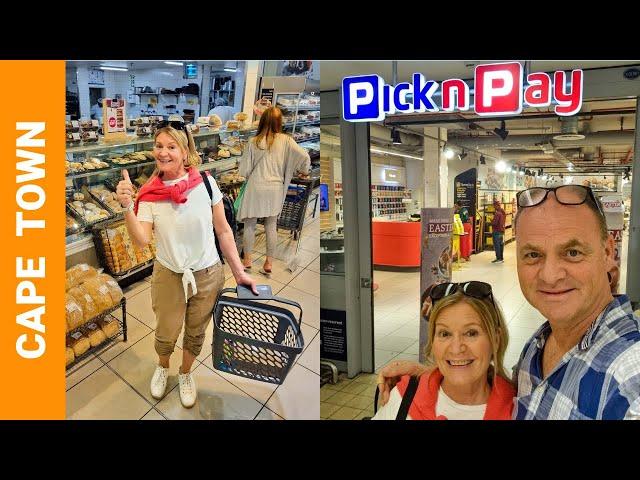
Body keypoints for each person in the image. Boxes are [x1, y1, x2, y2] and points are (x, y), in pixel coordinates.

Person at [377, 185, 640, 419]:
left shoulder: (629, 374)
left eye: (572, 252)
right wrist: (433, 377)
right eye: (533, 254)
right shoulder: (538, 346)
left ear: (608, 253)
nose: (550, 275)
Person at [115, 115, 258, 409]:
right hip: (169, 274)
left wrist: (239, 272)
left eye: (171, 146)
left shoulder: (206, 184)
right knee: (166, 329)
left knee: (196, 331)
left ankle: (185, 372)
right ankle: (163, 366)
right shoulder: (149, 194)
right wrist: (128, 206)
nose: (163, 152)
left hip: (207, 274)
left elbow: (223, 230)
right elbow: (142, 239)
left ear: (185, 151)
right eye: (158, 146)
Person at [373, 281, 515, 420]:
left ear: (495, 340)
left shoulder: (519, 410)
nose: (456, 348)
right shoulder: (404, 398)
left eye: (471, 333)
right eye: (445, 334)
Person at [237, 106, 310, 275]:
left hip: (256, 186)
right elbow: (304, 157)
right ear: (279, 122)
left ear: (262, 121)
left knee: (250, 224)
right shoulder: (286, 140)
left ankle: (247, 259)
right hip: (275, 188)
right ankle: (268, 263)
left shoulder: (253, 142)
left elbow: (244, 171)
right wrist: (303, 170)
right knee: (271, 225)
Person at [491, 199, 505, 263]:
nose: (494, 207)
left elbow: (494, 223)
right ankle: (501, 258)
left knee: (497, 245)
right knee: (501, 245)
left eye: (494, 206)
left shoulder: (497, 214)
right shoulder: (502, 212)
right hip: (501, 230)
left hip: (496, 231)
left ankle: (498, 258)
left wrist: (491, 220)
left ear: (496, 205)